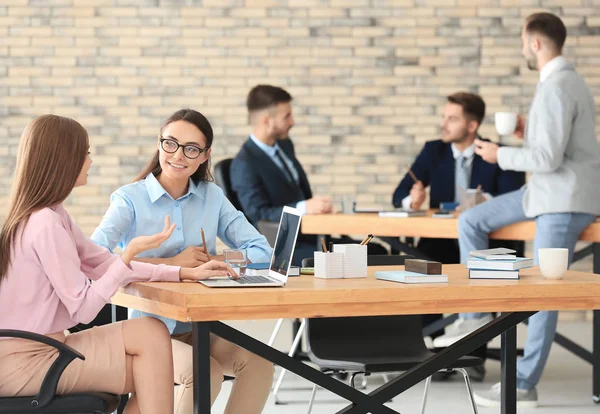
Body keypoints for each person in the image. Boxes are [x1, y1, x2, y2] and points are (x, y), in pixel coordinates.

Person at [0, 114, 235, 414]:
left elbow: (102, 263)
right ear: (64, 159)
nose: (90, 161)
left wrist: (183, 271)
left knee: (150, 333)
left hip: (45, 348)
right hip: (27, 363)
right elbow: (83, 309)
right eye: (85, 153)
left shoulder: (54, 214)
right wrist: (127, 258)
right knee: (150, 361)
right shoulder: (45, 224)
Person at [435, 13, 600, 408]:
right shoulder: (560, 83)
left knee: (545, 289)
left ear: (536, 43)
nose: (522, 49)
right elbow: (552, 147)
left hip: (562, 200)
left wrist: (498, 154)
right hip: (542, 193)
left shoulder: (559, 86)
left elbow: (545, 158)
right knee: (473, 219)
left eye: (524, 42)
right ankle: (474, 318)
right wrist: (528, 134)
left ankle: (523, 385)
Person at [91, 109, 274, 414]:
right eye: (170, 144)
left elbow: (261, 251)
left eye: (191, 149)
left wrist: (213, 259)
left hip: (196, 325)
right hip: (145, 330)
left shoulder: (212, 197)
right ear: (159, 144)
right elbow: (96, 258)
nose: (178, 155)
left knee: (259, 364)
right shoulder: (129, 199)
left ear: (205, 156)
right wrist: (175, 265)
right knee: (206, 373)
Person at [231, 84, 386, 266]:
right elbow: (259, 213)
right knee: (372, 256)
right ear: (267, 121)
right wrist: (303, 207)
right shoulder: (244, 163)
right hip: (285, 247)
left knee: (377, 251)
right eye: (286, 116)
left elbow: (301, 193)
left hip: (314, 236)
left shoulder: (284, 146)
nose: (292, 121)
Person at [392, 92, 525, 264]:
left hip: (489, 243)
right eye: (444, 117)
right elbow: (398, 195)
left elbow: (516, 199)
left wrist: (485, 202)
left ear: (472, 126)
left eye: (452, 119)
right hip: (438, 243)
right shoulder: (433, 151)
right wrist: (412, 201)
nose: (443, 124)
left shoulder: (498, 154)